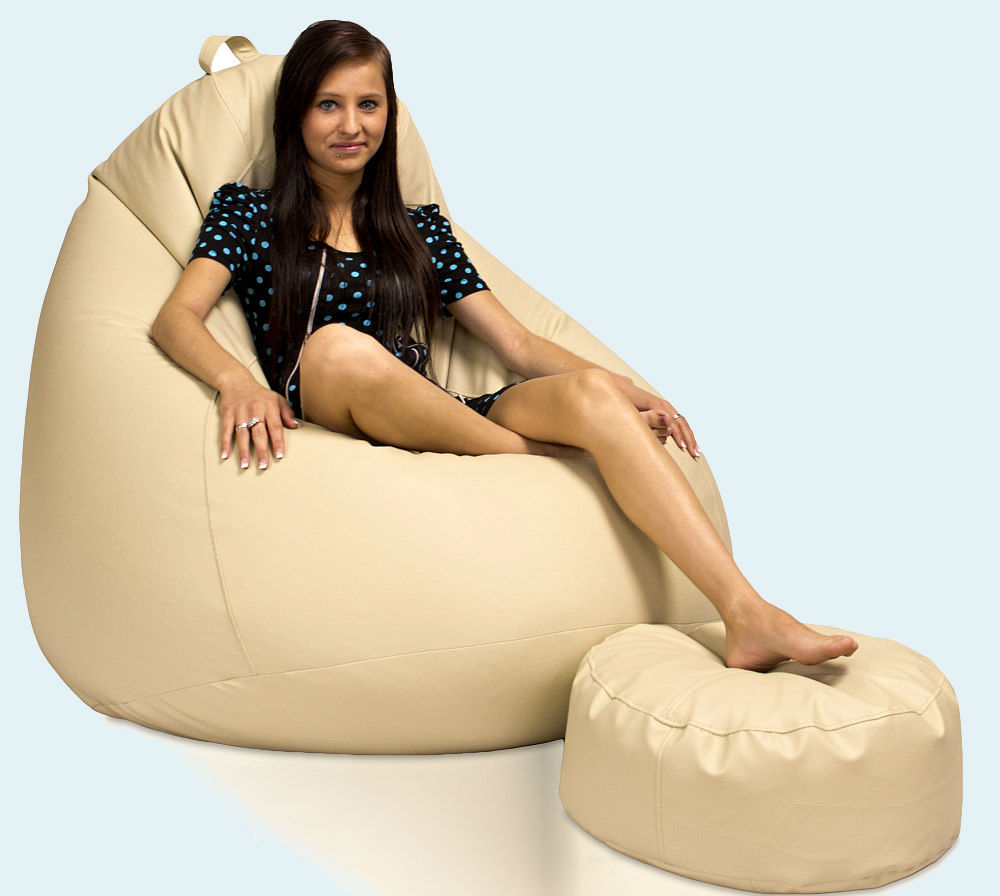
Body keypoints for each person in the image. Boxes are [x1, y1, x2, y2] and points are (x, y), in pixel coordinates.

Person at [150, 19, 858, 673]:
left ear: (390, 114)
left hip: (439, 412)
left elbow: (516, 342)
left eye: (369, 104)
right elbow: (177, 317)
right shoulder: (247, 211)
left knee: (591, 394)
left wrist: (635, 393)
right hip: (330, 394)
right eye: (327, 105)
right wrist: (238, 380)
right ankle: (546, 458)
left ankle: (746, 612)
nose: (351, 125)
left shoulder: (418, 227)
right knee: (340, 347)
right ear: (296, 113)